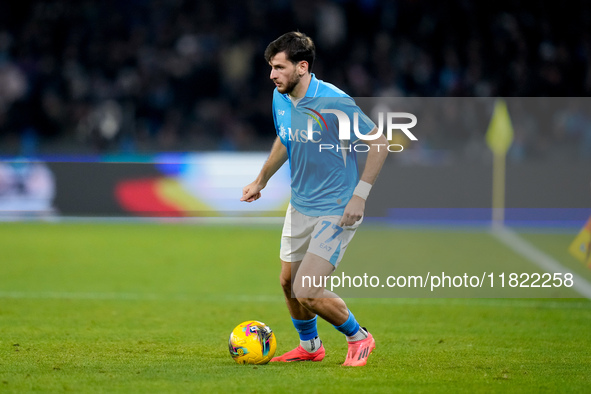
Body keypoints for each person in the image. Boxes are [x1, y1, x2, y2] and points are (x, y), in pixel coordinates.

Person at [241, 32, 388, 367]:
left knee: (306, 289)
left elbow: (379, 143)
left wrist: (359, 197)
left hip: (336, 208)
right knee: (288, 282)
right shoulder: (280, 96)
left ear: (302, 66)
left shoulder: (334, 101)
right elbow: (285, 138)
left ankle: (359, 336)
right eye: (271, 67)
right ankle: (310, 347)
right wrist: (261, 179)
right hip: (301, 205)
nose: (272, 75)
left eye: (279, 67)